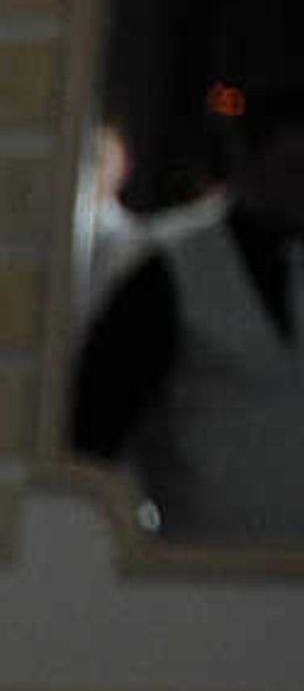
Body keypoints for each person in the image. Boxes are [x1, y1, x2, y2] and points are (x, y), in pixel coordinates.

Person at [70, 86, 304, 549]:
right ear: (247, 158)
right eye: (294, 169)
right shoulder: (168, 267)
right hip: (198, 568)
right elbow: (93, 434)